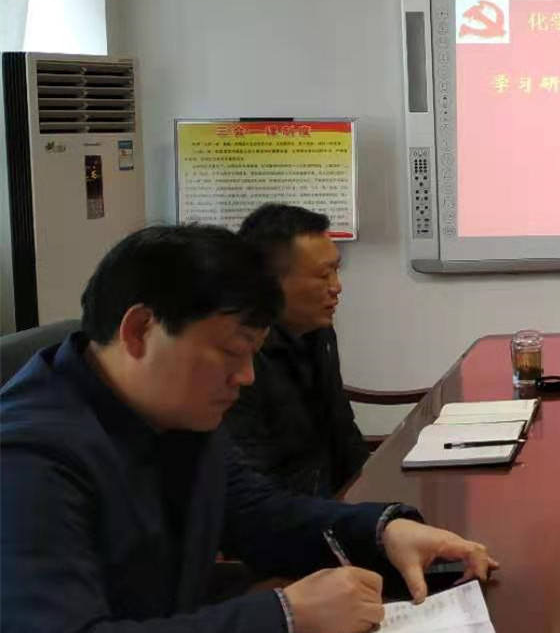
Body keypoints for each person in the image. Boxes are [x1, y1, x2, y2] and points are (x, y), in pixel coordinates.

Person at [0, 225, 498, 633]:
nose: (246, 377)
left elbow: (255, 514)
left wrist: (383, 531)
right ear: (140, 331)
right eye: (230, 353)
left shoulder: (172, 409)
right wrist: (284, 617)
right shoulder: (29, 458)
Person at [229, 203, 367, 496]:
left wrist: (373, 499)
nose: (337, 287)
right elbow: (254, 481)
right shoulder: (238, 358)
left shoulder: (318, 330)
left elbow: (343, 429)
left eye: (336, 270)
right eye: (323, 275)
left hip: (330, 505)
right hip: (285, 512)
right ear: (269, 284)